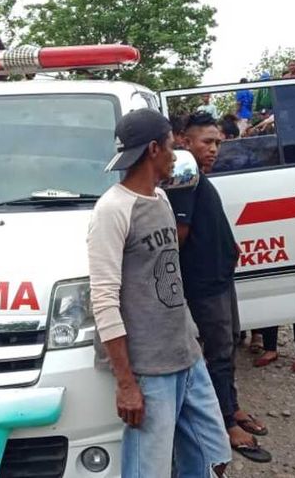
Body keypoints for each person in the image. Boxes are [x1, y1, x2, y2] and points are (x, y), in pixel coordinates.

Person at [88, 108, 230, 478]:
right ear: (153, 149)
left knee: (211, 455)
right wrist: (126, 383)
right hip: (149, 369)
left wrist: (192, 341)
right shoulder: (112, 210)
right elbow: (103, 300)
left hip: (186, 354)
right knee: (147, 470)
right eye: (171, 146)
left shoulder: (163, 200)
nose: (175, 155)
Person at [167, 111, 272, 464]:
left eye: (217, 142)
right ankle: (225, 423)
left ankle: (233, 407)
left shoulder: (196, 175)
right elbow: (177, 237)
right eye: (206, 142)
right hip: (203, 282)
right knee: (218, 351)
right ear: (183, 140)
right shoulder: (183, 176)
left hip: (220, 278)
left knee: (228, 345)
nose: (214, 149)